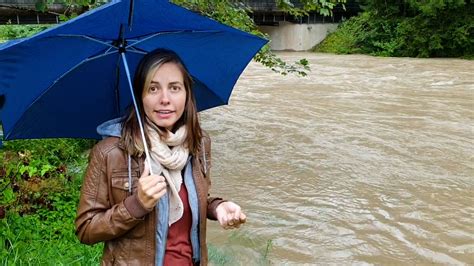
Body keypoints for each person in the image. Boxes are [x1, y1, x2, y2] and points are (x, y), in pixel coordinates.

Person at [75, 49, 246, 265]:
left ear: (187, 94)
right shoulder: (110, 152)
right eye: (153, 88)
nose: (165, 99)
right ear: (141, 96)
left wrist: (216, 207)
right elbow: (86, 228)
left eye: (174, 88)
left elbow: (193, 193)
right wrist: (136, 204)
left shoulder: (199, 143)